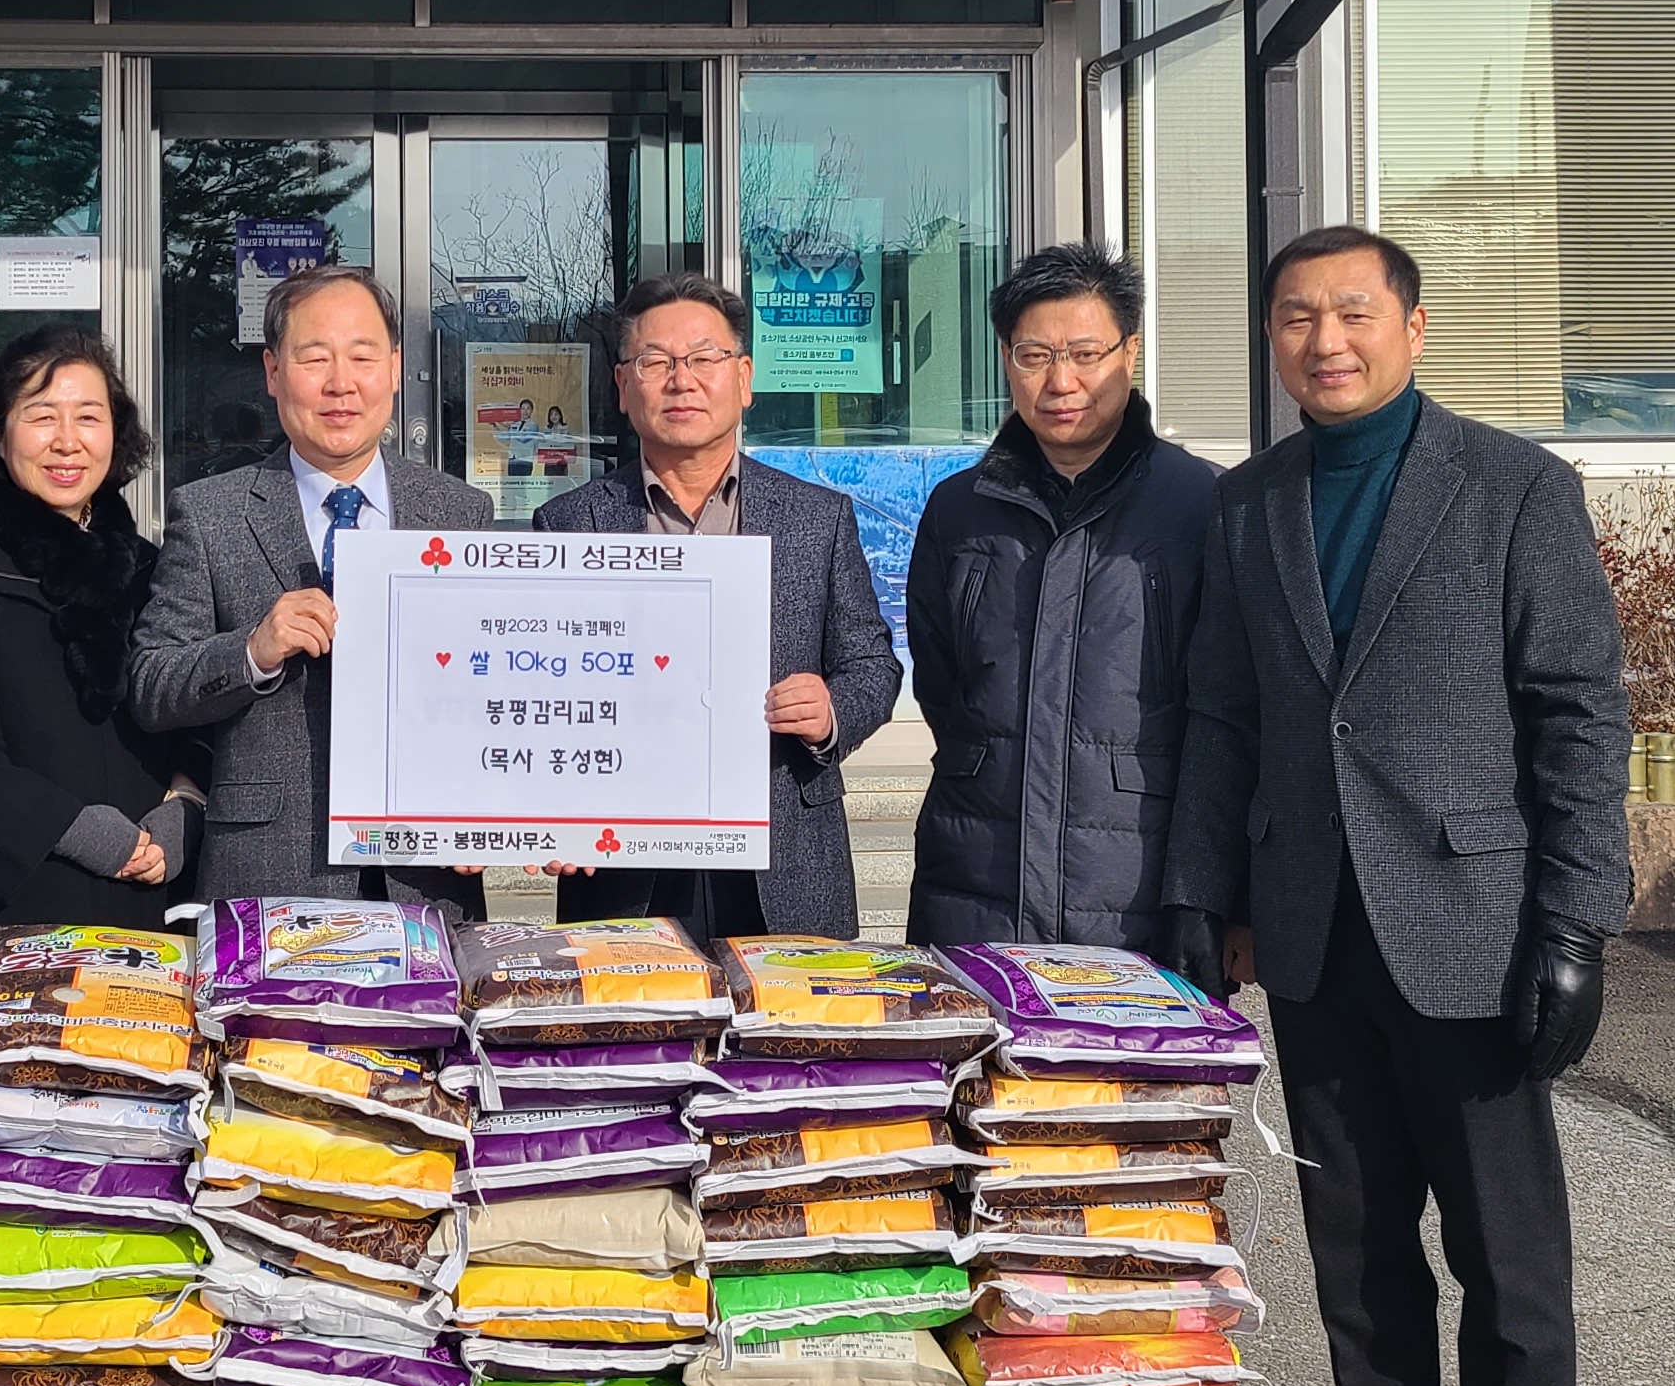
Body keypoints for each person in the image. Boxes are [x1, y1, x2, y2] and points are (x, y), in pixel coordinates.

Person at [1158, 224, 1628, 1386]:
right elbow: (1224, 712)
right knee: (1358, 1252)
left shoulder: (1515, 488)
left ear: (1413, 329)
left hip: (1472, 929)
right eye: (1297, 317)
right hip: (1312, 931)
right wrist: (1206, 896)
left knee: (1505, 1252)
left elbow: (1578, 712)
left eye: (1353, 313)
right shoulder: (1250, 504)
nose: (1326, 342)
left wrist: (1575, 923)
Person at [536, 272, 903, 940]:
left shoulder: (815, 518)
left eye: (704, 358)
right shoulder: (568, 523)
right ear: (622, 386)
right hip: (623, 863)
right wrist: (548, 807)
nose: (681, 380)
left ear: (744, 378)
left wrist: (830, 713)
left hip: (782, 849)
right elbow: (539, 686)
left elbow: (872, 665)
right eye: (655, 362)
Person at [0, 328, 202, 1105]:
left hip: (146, 916)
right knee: (13, 1155)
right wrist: (85, 832)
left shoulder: (153, 569)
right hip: (11, 920)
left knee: (141, 1148)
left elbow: (197, 720)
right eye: (41, 415)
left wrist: (185, 813)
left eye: (89, 416)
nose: (68, 440)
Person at [128, 263, 492, 906]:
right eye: (315, 357)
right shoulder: (209, 514)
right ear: (273, 372)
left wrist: (497, 808)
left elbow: (496, 684)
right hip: (268, 872)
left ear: (395, 368)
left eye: (363, 357)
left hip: (425, 876)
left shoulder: (460, 512)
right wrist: (251, 651)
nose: (340, 383)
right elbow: (152, 685)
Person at [902, 243, 1221, 953]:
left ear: (1129, 353)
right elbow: (943, 686)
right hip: (975, 876)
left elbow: (1227, 710)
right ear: (1005, 358)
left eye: (1084, 353)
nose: (1061, 381)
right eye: (1035, 356)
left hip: (1137, 886)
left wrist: (1211, 895)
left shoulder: (1202, 504)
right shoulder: (959, 508)